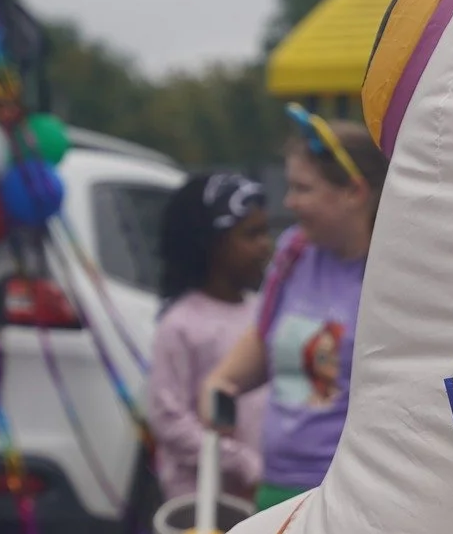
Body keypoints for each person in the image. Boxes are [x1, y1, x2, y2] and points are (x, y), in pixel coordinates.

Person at [201, 109, 383, 510]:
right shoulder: (294, 252)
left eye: (303, 189)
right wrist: (221, 382)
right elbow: (262, 338)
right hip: (276, 485)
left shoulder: (390, 270)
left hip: (346, 495)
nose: (289, 202)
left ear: (354, 192)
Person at [147, 172, 274, 502]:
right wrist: (241, 463)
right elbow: (168, 419)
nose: (266, 245)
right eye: (252, 234)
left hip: (264, 499)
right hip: (205, 507)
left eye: (266, 232)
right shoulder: (181, 324)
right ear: (213, 244)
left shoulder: (264, 313)